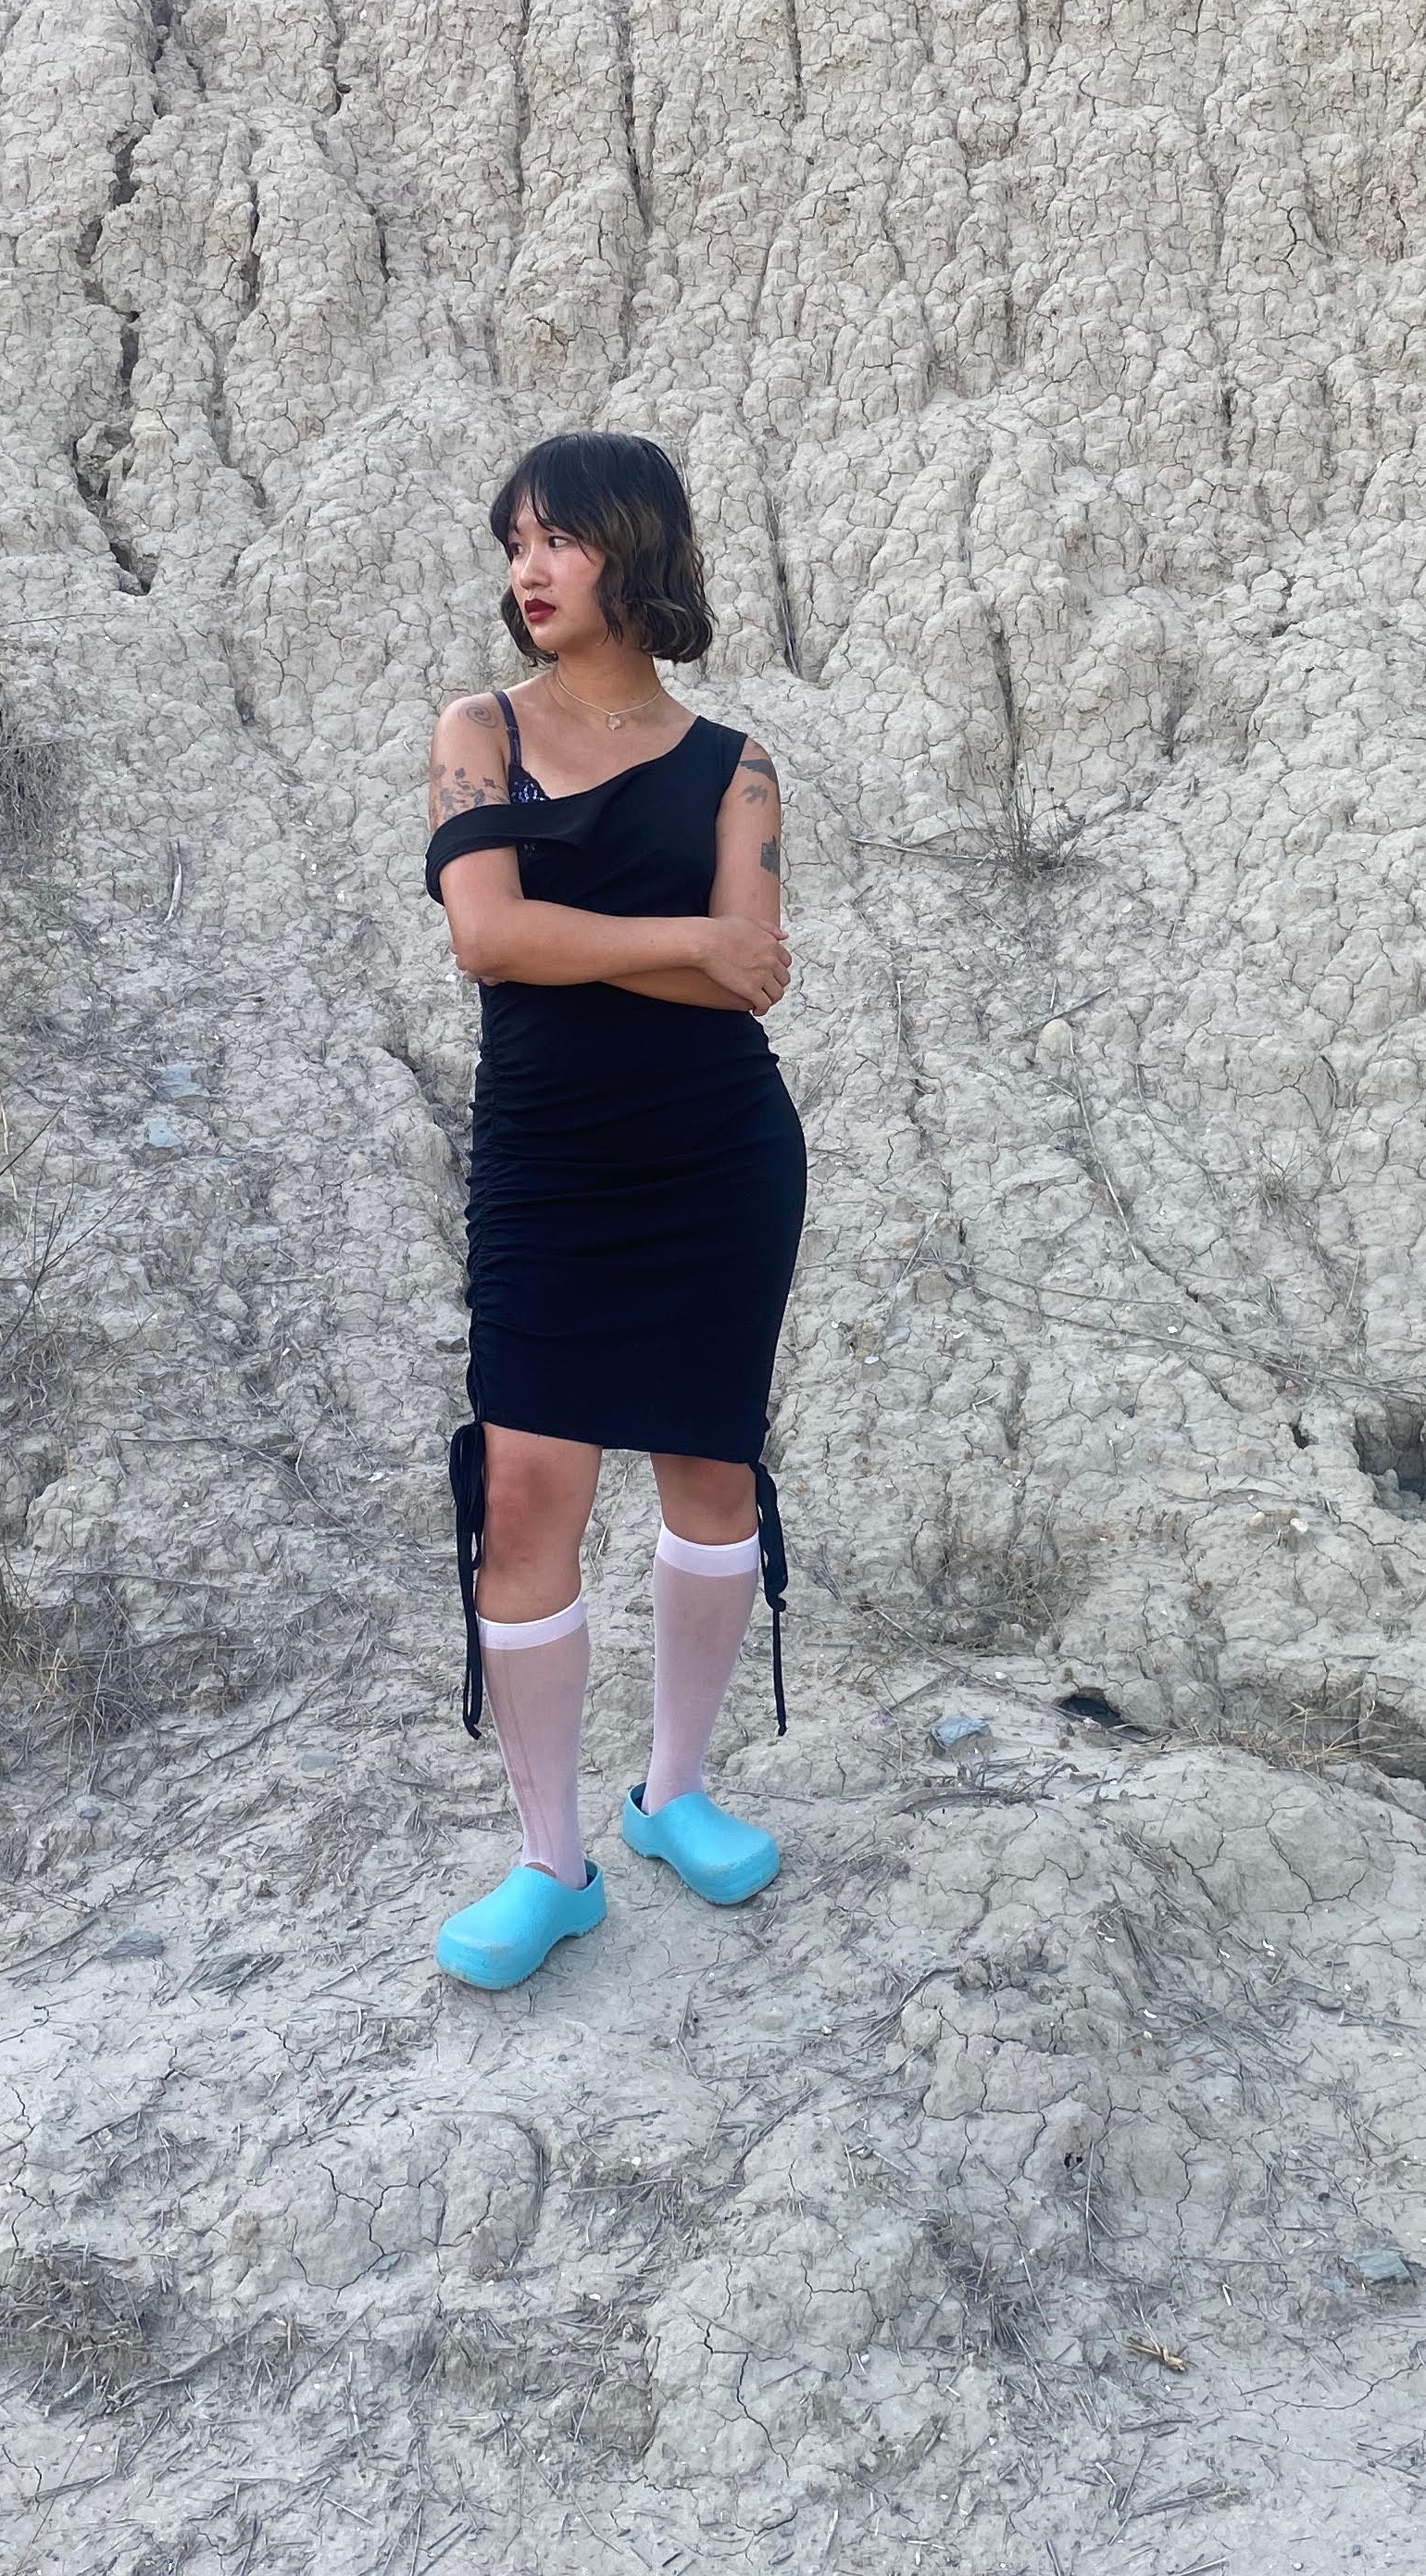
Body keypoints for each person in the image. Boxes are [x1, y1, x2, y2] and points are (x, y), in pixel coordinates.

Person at [419, 431, 807, 1991]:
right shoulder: (477, 732)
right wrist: (683, 945)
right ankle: (550, 1862)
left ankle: (676, 1794)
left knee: (714, 1474)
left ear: (633, 552)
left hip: (717, 1154)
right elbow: (487, 935)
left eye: (560, 539)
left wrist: (688, 949)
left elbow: (757, 964)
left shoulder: (740, 764)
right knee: (526, 1499)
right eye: (514, 541)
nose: (528, 569)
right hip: (550, 1162)